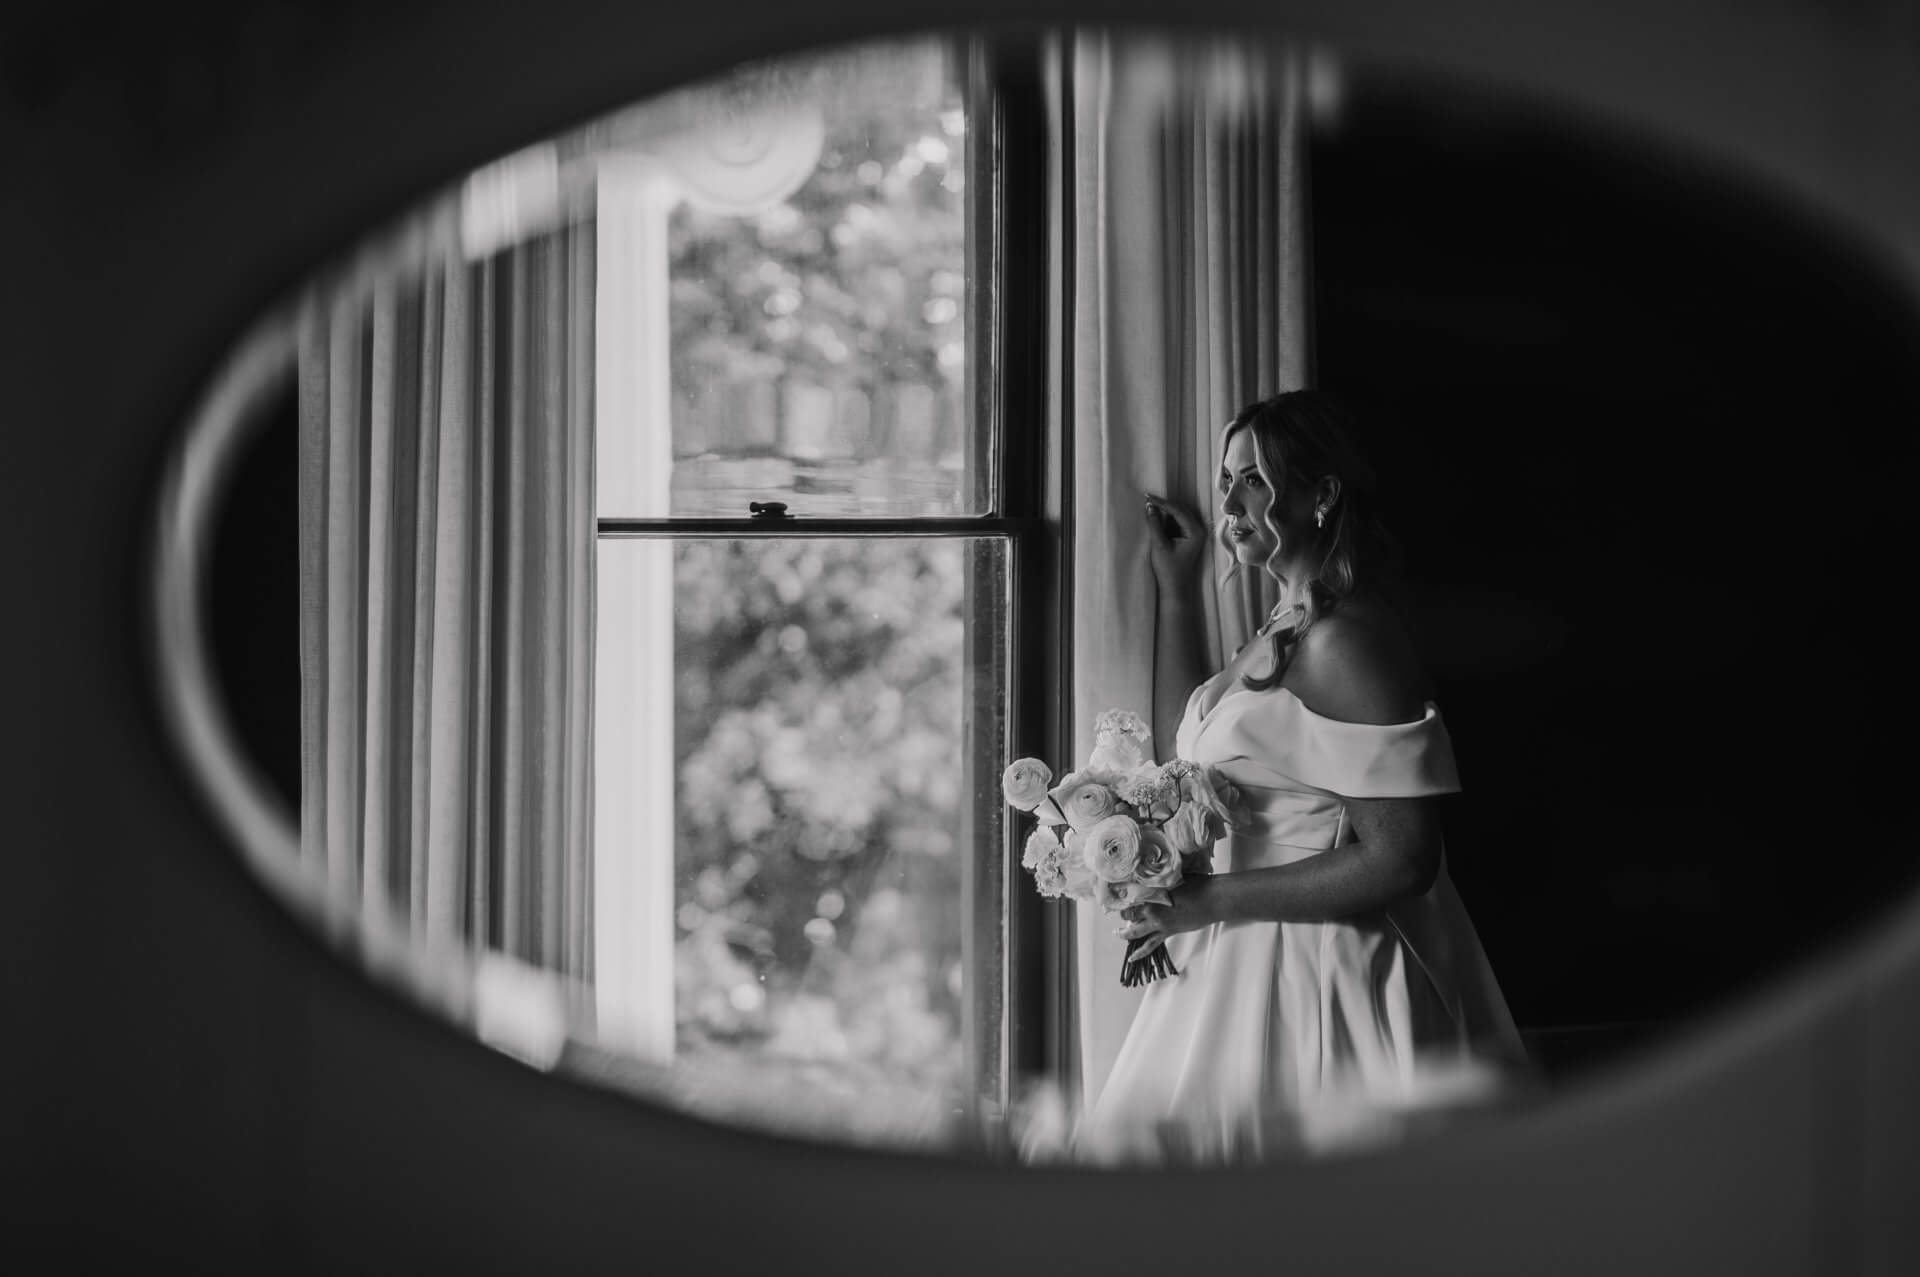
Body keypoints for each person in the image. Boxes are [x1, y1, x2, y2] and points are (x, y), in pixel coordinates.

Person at [1072, 389, 1530, 1164]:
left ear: (1321, 495)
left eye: (1256, 479)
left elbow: (1403, 859)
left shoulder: (1346, 641)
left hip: (1311, 972)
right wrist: (1179, 593)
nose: (1230, 498)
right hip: (1230, 958)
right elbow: (1189, 766)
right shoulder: (1286, 625)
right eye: (1228, 479)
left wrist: (1207, 899)